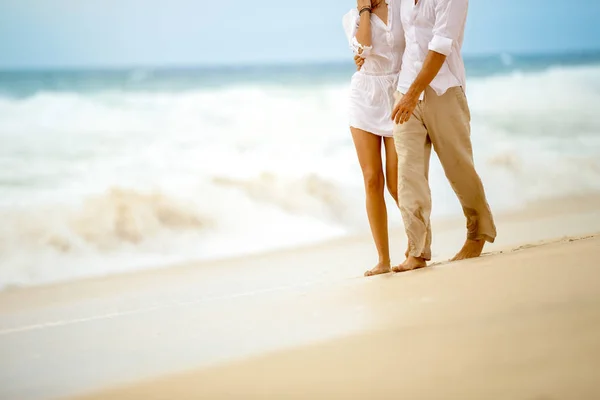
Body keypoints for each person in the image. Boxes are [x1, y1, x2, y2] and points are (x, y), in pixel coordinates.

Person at [389, 0, 497, 272]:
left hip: (443, 90)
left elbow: (440, 45)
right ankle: (417, 250)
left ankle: (478, 232)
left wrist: (413, 94)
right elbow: (392, 34)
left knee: (457, 166)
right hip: (405, 92)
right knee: (408, 173)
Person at [342, 0, 405, 277]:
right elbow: (363, 49)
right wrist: (365, 11)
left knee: (396, 182)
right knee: (372, 179)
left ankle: (419, 242)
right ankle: (383, 259)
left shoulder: (403, 7)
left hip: (397, 95)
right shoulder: (351, 18)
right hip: (365, 97)